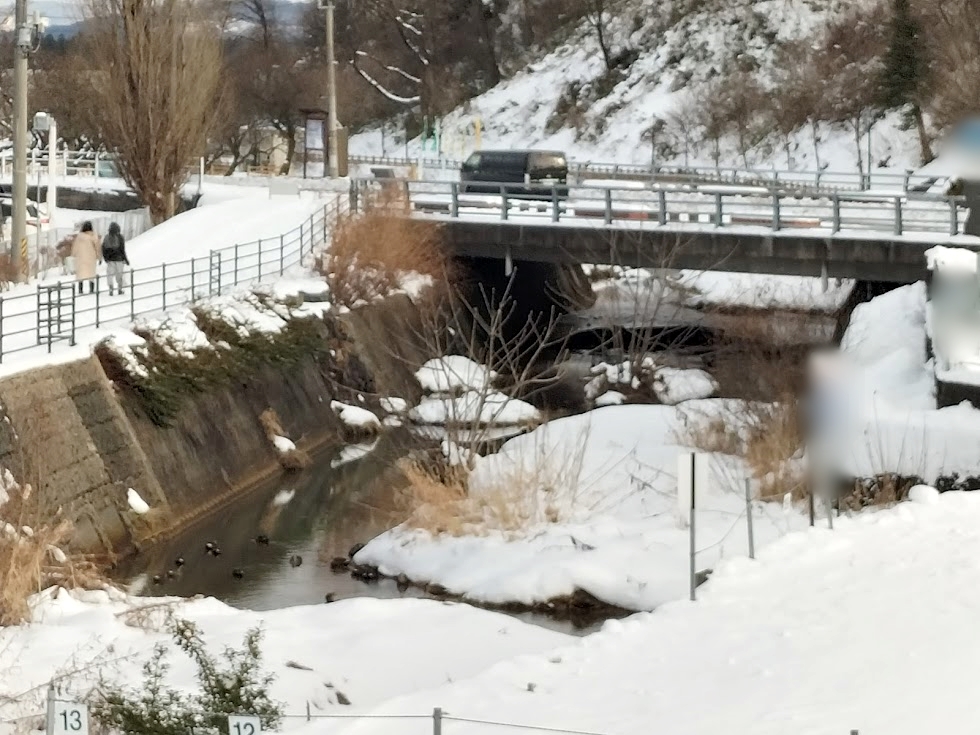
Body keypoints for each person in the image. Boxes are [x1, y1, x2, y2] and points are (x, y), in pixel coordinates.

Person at [72, 221, 101, 295]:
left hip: (80, 258)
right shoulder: (93, 236)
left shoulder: (79, 236)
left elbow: (75, 247)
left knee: (80, 274)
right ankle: (91, 289)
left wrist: (74, 254)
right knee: (91, 274)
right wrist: (99, 257)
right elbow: (97, 247)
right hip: (91, 257)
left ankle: (80, 289)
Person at [101, 222, 129, 296]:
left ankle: (111, 288)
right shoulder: (120, 237)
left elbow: (103, 248)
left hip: (110, 260)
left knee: (110, 275)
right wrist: (126, 259)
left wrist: (105, 258)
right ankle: (119, 289)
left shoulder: (106, 237)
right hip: (119, 259)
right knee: (119, 275)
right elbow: (122, 249)